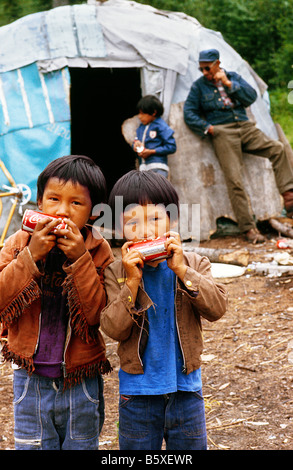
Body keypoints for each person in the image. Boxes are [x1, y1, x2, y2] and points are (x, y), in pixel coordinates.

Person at [100, 170, 228, 450]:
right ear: (118, 229)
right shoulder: (115, 272)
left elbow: (217, 308)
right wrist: (132, 283)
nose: (145, 231)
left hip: (187, 390)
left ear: (173, 219)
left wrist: (182, 270)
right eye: (132, 222)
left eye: (155, 219)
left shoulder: (193, 262)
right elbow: (113, 328)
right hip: (137, 395)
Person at [0, 155, 114, 450]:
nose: (62, 211)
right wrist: (31, 255)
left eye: (76, 203)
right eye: (53, 199)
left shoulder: (100, 251)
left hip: (81, 381)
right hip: (30, 380)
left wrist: (80, 259)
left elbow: (96, 316)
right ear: (39, 203)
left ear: (93, 213)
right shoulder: (18, 243)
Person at [184, 48, 293, 244]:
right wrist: (209, 128)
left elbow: (250, 97)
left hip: (245, 127)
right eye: (201, 69)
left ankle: (289, 195)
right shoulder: (199, 87)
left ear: (217, 63)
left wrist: (228, 83)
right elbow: (189, 112)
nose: (205, 73)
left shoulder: (234, 77)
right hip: (223, 132)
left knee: (277, 148)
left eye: (207, 68)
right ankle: (248, 228)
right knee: (234, 179)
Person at [132, 94, 177, 178]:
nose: (139, 116)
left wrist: (152, 151)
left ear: (153, 112)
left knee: (156, 190)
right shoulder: (141, 127)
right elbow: (136, 140)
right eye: (139, 113)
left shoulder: (161, 126)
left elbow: (172, 146)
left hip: (158, 168)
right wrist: (135, 145)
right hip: (143, 169)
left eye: (142, 113)